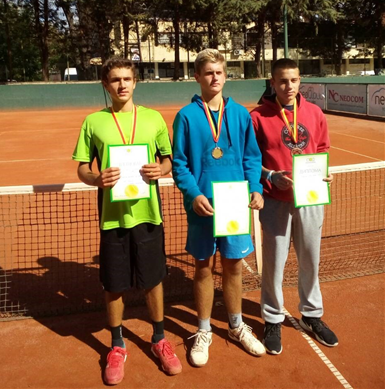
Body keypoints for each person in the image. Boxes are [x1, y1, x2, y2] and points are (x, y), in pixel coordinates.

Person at [72, 57, 182, 385]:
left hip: (148, 214)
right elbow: (82, 168)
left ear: (135, 82)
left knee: (153, 279)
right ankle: (117, 344)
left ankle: (159, 338)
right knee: (114, 283)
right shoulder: (93, 122)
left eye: (127, 78)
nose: (122, 84)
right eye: (115, 79)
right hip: (112, 218)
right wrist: (96, 179)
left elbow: (168, 160)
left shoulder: (153, 118)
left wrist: (161, 169)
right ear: (106, 85)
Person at [172, 48, 266, 367]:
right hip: (203, 206)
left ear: (226, 76)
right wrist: (193, 194)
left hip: (235, 203)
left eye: (219, 72)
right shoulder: (186, 116)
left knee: (234, 266)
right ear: (197, 76)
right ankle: (203, 330)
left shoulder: (240, 114)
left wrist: (255, 188)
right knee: (203, 267)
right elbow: (180, 164)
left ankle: (236, 326)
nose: (215, 77)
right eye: (208, 72)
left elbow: (251, 158)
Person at [251, 58, 338, 355]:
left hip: (310, 199)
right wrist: (270, 176)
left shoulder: (314, 113)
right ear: (272, 83)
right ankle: (273, 318)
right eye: (282, 81)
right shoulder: (257, 117)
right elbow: (250, 160)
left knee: (310, 260)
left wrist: (325, 172)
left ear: (300, 81)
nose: (289, 86)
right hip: (275, 201)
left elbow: (322, 149)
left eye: (294, 80)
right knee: (274, 263)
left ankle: (311, 314)